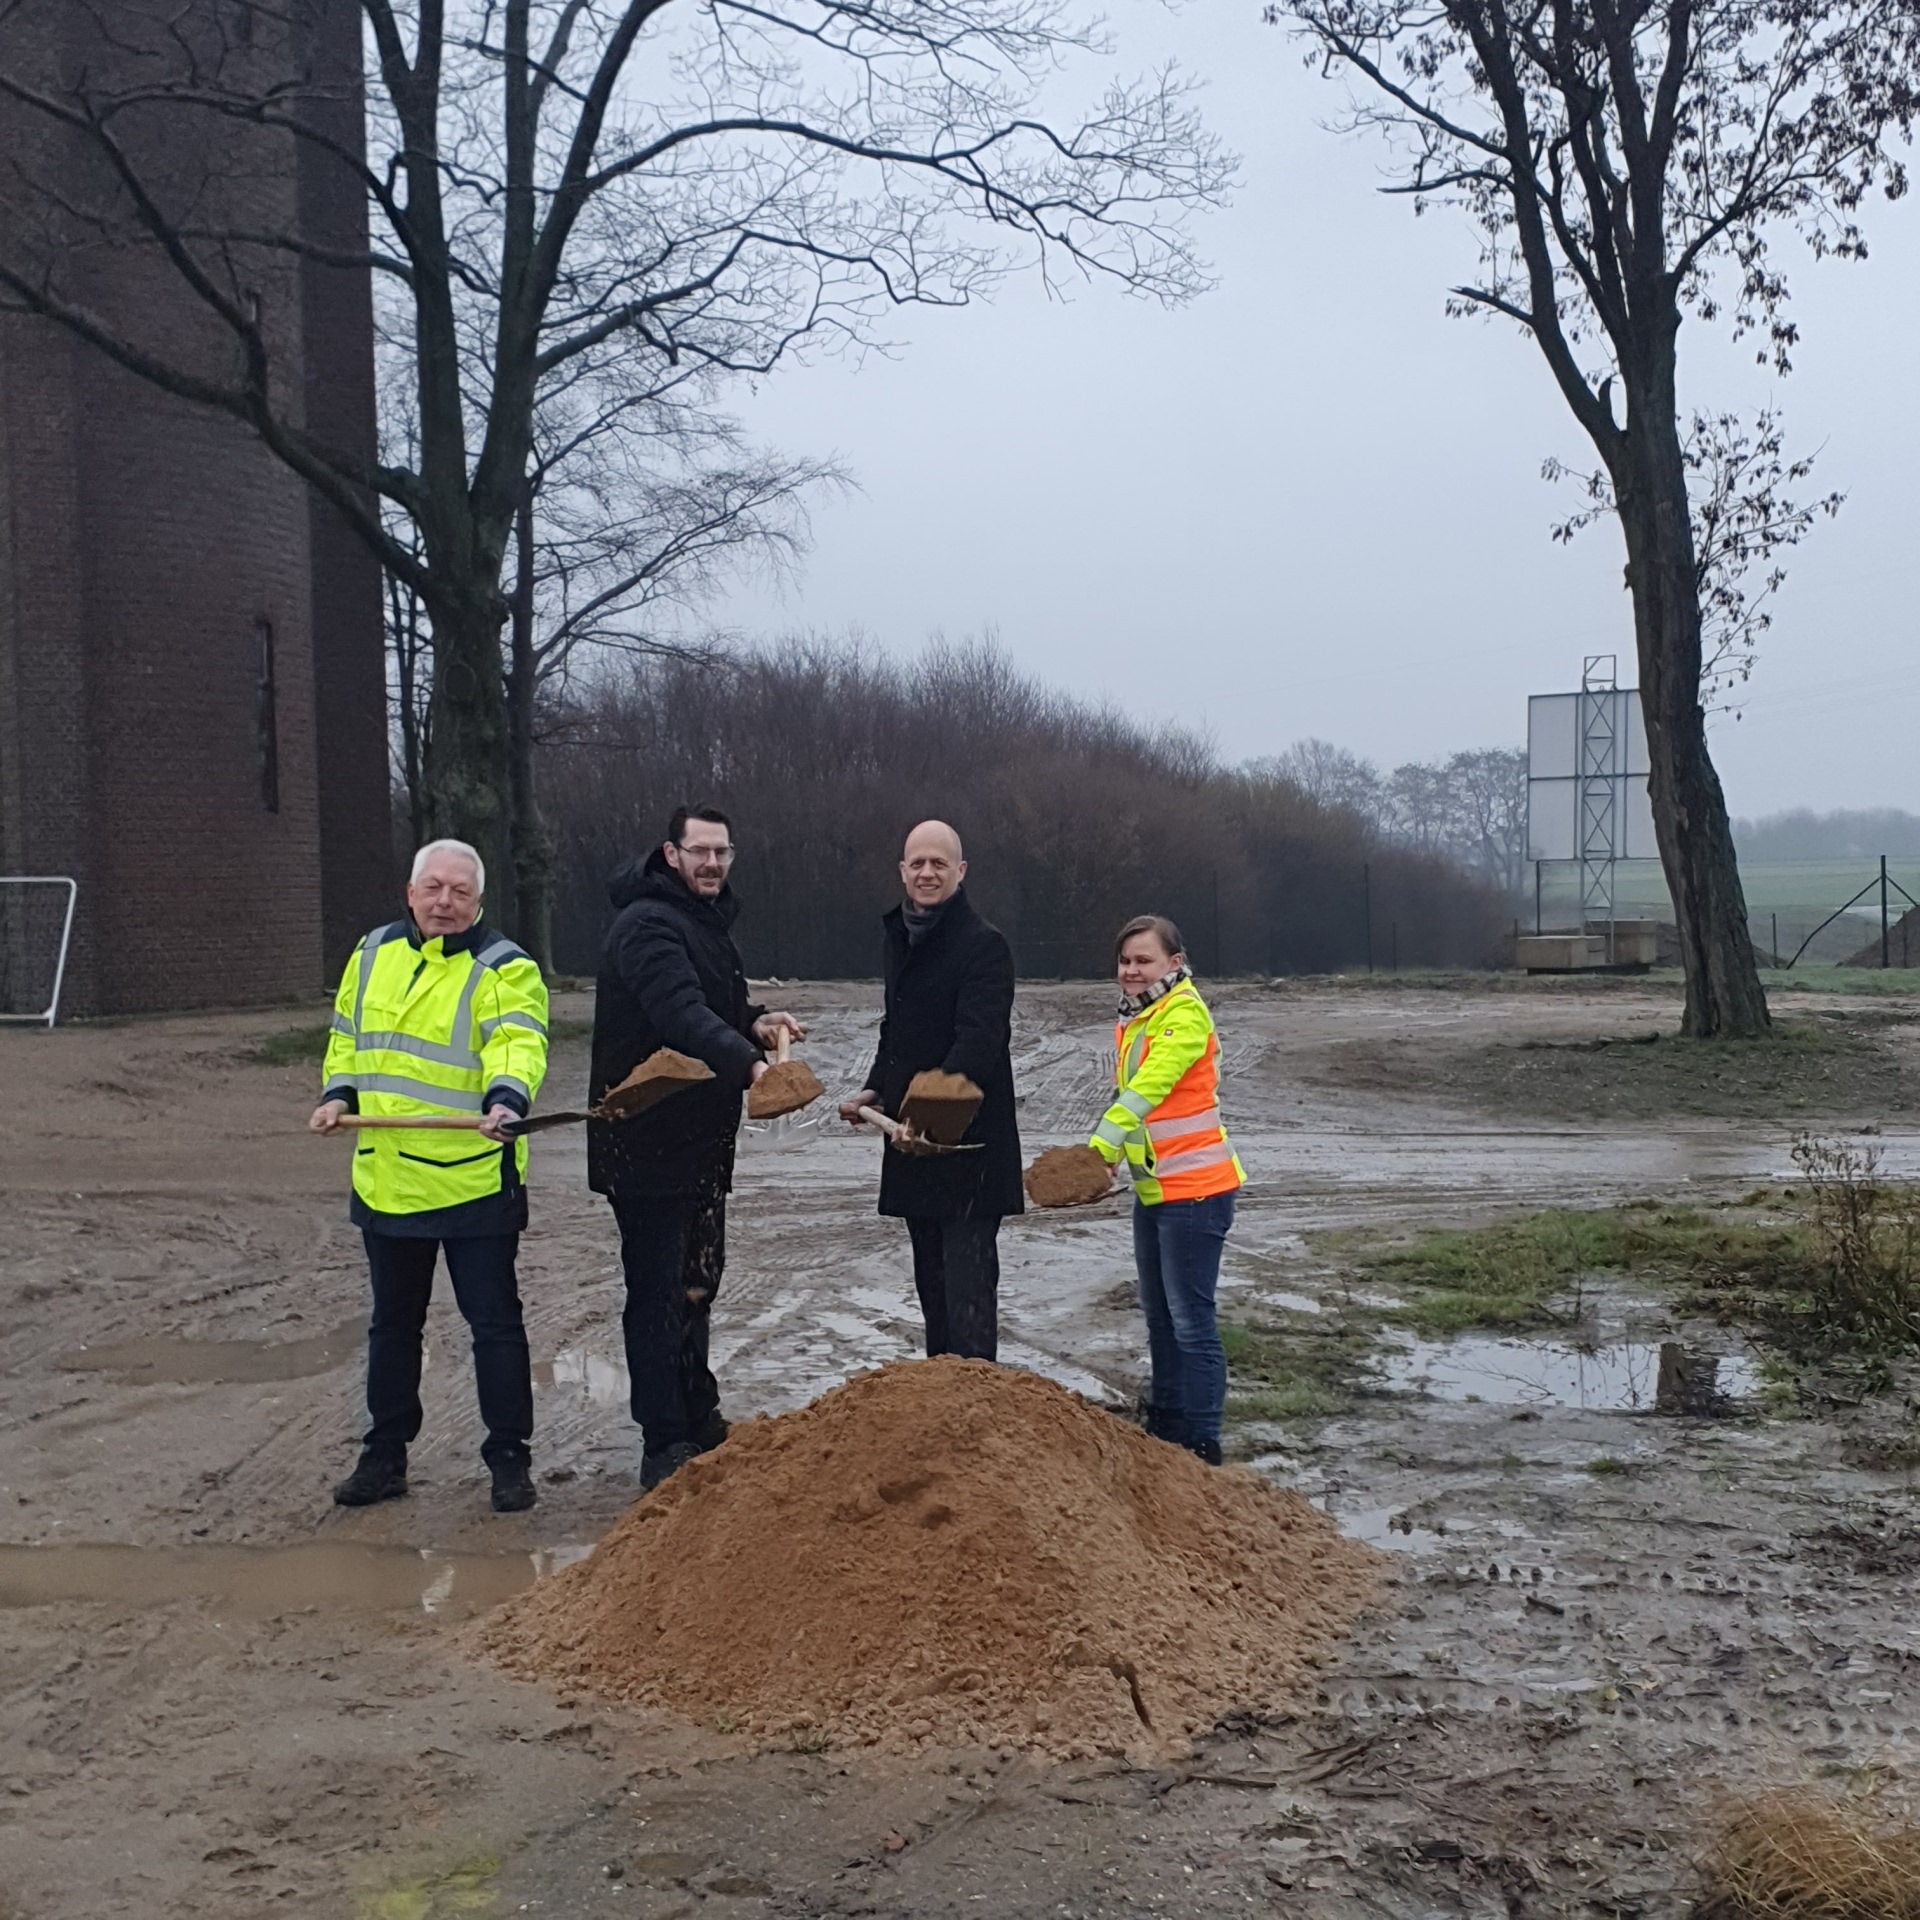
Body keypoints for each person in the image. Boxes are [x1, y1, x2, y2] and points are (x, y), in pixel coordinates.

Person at [311, 840, 550, 1513]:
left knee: (494, 1327)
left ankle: (509, 1460)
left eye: (460, 892)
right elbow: (347, 1037)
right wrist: (338, 1096)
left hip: (474, 1181)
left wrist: (507, 1099)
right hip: (386, 1179)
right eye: (434, 888)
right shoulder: (372, 953)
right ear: (411, 893)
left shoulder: (505, 967)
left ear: (479, 901)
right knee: (393, 1327)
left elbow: (519, 1043)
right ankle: (384, 1456)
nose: (445, 902)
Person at [589, 805, 803, 1490]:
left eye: (722, 852)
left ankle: (698, 1415)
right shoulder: (647, 925)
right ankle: (663, 1441)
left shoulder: (702, 922)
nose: (712, 863)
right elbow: (679, 1014)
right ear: (671, 854)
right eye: (700, 851)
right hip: (646, 1140)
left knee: (698, 1282)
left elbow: (710, 1005)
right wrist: (753, 1067)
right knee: (658, 1293)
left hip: (701, 1142)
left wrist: (753, 1020)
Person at [840, 820, 1022, 1360]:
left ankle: (976, 1403)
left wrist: (926, 1116)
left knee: (968, 1304)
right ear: (902, 871)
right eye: (917, 863)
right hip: (914, 1147)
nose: (927, 873)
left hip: (969, 1152)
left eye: (938, 863)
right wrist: (876, 1090)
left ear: (960, 871)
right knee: (934, 1298)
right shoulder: (899, 938)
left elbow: (978, 1043)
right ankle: (940, 1400)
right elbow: (896, 1031)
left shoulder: (984, 946)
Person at [1087, 914, 1245, 1466]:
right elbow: (1138, 1103)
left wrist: (1102, 1144)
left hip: (1197, 1191)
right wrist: (1115, 1158)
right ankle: (1167, 1425)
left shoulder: (1184, 1014)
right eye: (1125, 960)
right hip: (1156, 1191)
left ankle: (1202, 1443)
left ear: (1174, 963)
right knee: (1159, 1315)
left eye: (1144, 960)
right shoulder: (1140, 1016)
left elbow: (1149, 1088)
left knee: (1191, 1321)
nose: (1131, 970)